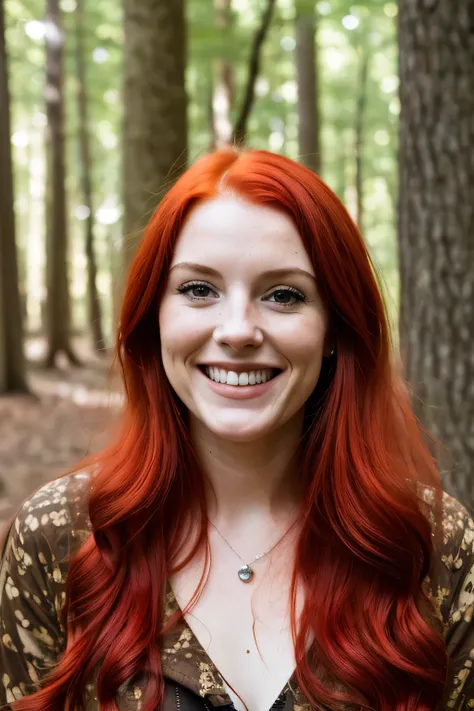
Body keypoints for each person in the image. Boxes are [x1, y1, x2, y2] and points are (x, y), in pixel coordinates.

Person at [1, 148, 474, 711]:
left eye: (284, 295)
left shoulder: (432, 544)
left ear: (333, 328)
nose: (239, 330)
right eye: (199, 289)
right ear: (155, 317)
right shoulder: (60, 537)